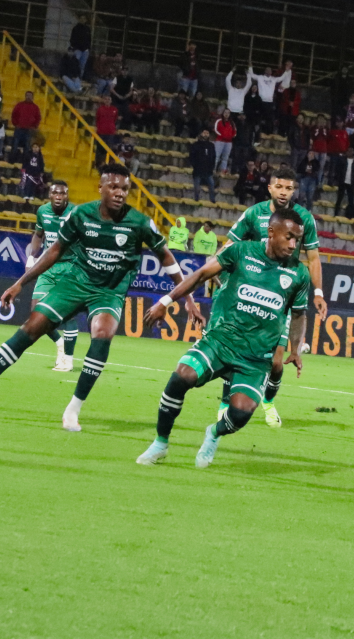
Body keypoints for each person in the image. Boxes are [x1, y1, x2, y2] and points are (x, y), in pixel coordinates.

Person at [0, 163, 197, 430]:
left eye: (124, 189)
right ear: (100, 188)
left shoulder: (139, 222)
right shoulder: (81, 215)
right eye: (113, 187)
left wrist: (187, 298)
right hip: (75, 283)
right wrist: (20, 283)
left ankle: (72, 410)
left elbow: (167, 258)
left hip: (108, 292)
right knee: (30, 328)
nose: (119, 193)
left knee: (102, 334)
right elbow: (54, 251)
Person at [136, 209, 310, 468]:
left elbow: (298, 315)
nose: (294, 245)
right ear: (271, 232)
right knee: (182, 375)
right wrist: (166, 301)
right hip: (220, 341)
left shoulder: (299, 273)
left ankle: (214, 433)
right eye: (289, 237)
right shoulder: (241, 251)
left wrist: (295, 348)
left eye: (298, 240)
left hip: (255, 357)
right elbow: (201, 274)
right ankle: (160, 443)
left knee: (239, 414)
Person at [217, 167, 326, 429]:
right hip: (252, 291)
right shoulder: (254, 214)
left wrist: (319, 291)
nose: (283, 192)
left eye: (289, 188)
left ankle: (268, 401)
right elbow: (229, 246)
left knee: (277, 361)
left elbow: (313, 258)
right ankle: (224, 404)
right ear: (270, 188)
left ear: (294, 191)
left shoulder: (303, 218)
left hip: (283, 293)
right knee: (236, 349)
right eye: (279, 187)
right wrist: (222, 274)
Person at [24, 181, 80, 372]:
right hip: (48, 266)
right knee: (36, 312)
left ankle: (68, 360)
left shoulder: (76, 212)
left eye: (62, 193)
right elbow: (38, 234)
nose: (58, 196)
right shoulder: (42, 211)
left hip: (70, 267)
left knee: (68, 316)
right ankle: (60, 343)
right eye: (54, 193)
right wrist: (32, 257)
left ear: (67, 195)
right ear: (49, 194)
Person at [188, 128, 217, 204]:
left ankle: (212, 199)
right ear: (201, 133)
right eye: (204, 133)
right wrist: (194, 165)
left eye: (207, 133)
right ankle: (196, 198)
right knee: (197, 187)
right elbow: (192, 156)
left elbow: (213, 157)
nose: (206, 134)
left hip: (208, 170)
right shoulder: (195, 145)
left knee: (212, 185)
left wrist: (212, 167)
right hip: (198, 170)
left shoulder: (211, 145)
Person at [212, 108, 235, 174]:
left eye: (228, 113)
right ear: (223, 113)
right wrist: (221, 135)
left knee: (225, 157)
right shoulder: (219, 121)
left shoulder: (232, 123)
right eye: (225, 113)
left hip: (229, 142)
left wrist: (231, 136)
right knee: (217, 156)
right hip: (220, 141)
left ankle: (223, 170)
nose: (226, 114)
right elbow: (216, 129)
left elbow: (234, 131)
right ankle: (213, 169)